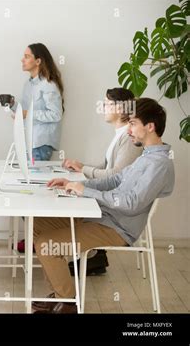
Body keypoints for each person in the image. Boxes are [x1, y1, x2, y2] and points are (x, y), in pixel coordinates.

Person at [32, 98, 174, 314]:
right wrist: (76, 184)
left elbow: (132, 203)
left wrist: (85, 191)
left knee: (45, 244)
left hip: (116, 228)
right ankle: (59, 295)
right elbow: (114, 181)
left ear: (150, 127)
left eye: (133, 123)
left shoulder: (160, 165)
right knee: (37, 224)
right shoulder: (146, 156)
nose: (129, 130)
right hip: (101, 216)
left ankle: (68, 303)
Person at [61, 87, 143, 275]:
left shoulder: (129, 138)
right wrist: (82, 166)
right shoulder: (121, 134)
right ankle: (93, 257)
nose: (103, 108)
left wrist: (83, 170)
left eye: (107, 104)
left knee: (68, 201)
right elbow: (107, 167)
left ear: (121, 109)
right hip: (111, 197)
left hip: (116, 207)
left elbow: (115, 176)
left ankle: (91, 255)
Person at [7, 43, 64, 251]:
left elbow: (56, 114)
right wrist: (13, 105)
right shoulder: (29, 84)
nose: (22, 60)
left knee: (32, 192)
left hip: (40, 144)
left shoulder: (48, 85)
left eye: (26, 56)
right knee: (27, 190)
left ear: (38, 61)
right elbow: (23, 111)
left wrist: (27, 114)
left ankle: (39, 239)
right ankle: (37, 237)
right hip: (28, 142)